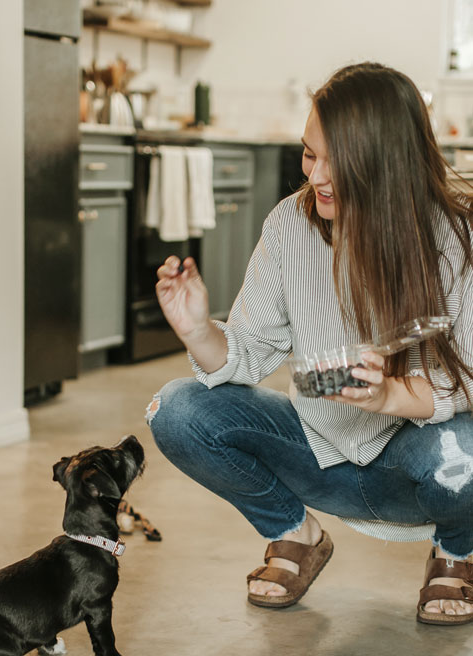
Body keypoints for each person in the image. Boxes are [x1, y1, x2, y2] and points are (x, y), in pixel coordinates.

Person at [146, 62, 473, 625]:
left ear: (387, 163)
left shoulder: (456, 234)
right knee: (175, 410)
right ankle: (294, 534)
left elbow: (466, 377)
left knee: (465, 453)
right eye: (308, 154)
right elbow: (249, 352)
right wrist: (199, 329)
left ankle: (458, 548)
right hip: (319, 450)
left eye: (334, 161)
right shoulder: (288, 227)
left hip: (418, 460)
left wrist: (389, 395)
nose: (316, 176)